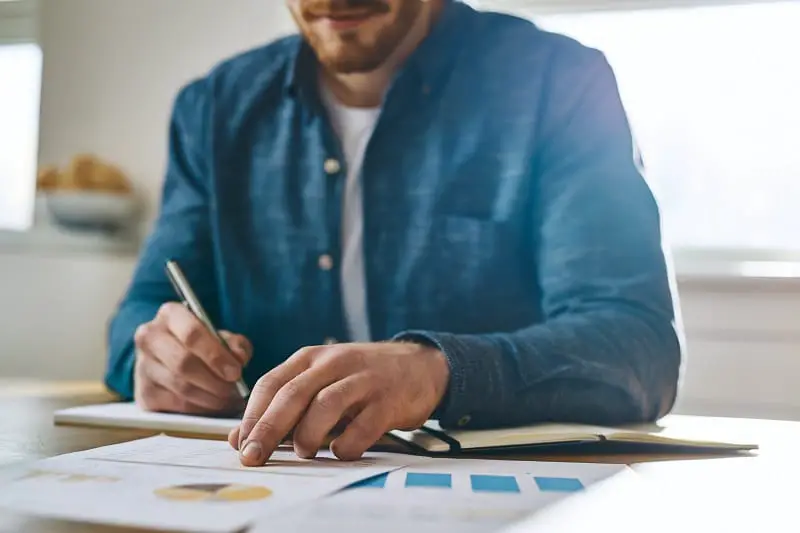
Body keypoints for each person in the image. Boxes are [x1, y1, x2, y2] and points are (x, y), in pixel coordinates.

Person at [105, 0, 683, 465]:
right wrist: (153, 364)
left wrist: (436, 371)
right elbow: (142, 313)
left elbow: (638, 344)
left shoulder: (560, 83)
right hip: (264, 484)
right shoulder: (213, 109)